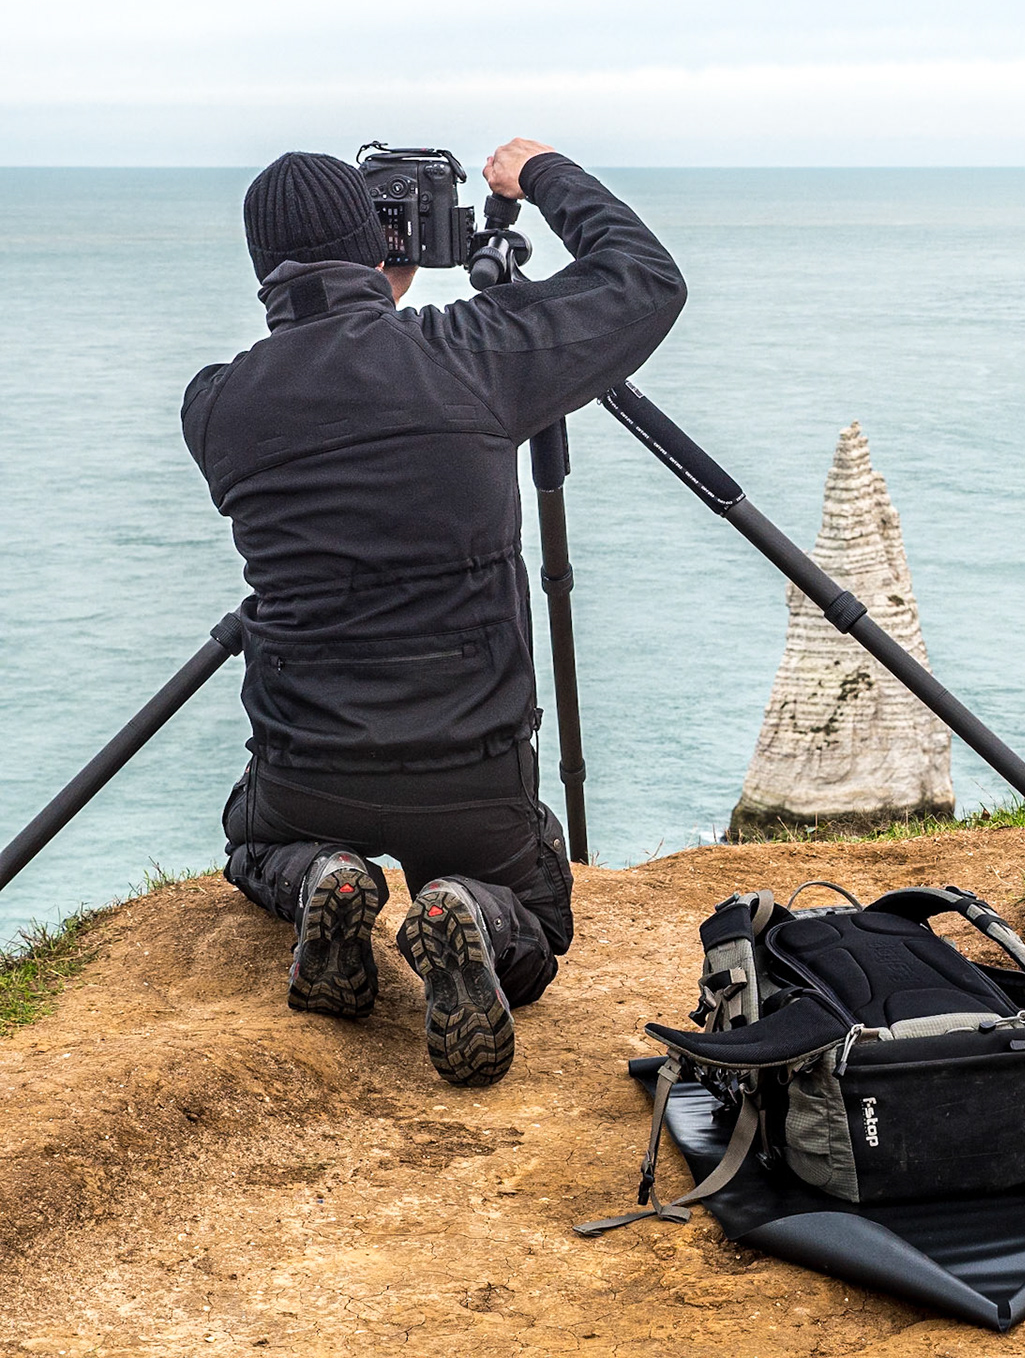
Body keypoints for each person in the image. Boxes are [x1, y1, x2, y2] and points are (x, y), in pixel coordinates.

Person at [182, 139, 685, 1086]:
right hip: (471, 776)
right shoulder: (470, 354)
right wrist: (540, 173)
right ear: (380, 241)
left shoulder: (216, 407)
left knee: (256, 843)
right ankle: (472, 909)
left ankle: (327, 882)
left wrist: (375, 285)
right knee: (538, 924)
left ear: (260, 270)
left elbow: (337, 380)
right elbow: (645, 280)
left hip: (308, 768)